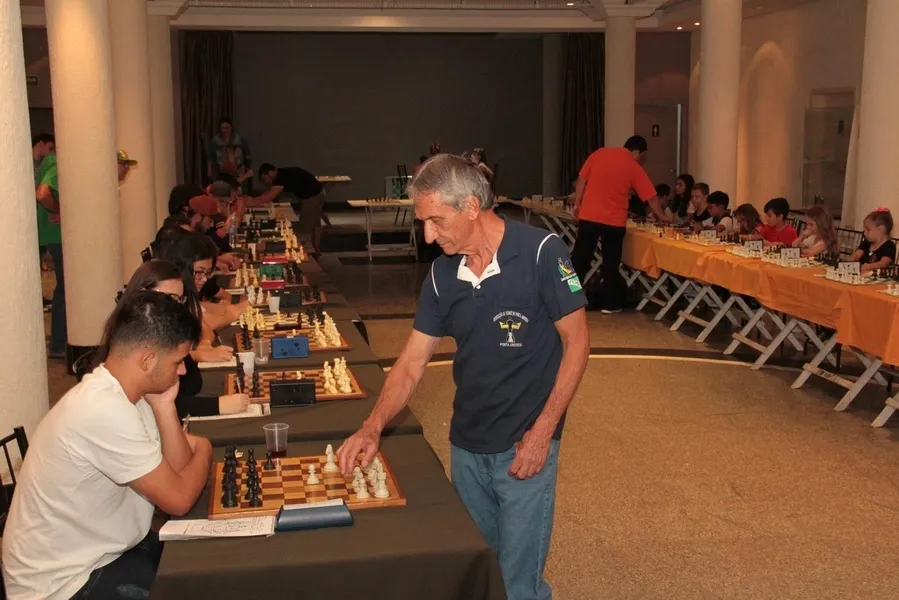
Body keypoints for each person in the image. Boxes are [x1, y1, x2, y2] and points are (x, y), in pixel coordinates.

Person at [337, 154, 589, 600]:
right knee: (479, 567)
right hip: (466, 443)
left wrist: (542, 433)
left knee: (517, 583)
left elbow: (577, 345)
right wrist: (372, 425)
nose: (428, 236)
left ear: (471, 206)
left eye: (435, 220)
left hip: (524, 443)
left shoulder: (541, 252)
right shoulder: (441, 275)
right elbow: (412, 363)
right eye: (423, 222)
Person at [2, 291, 213, 600]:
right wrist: (206, 447)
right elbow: (179, 499)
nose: (182, 371)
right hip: (64, 583)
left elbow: (179, 467)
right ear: (147, 359)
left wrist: (165, 406)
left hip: (107, 551)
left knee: (205, 567)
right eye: (178, 361)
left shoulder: (127, 391)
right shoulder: (103, 408)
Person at [92, 260, 249, 419]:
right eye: (169, 298)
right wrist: (217, 405)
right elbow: (153, 405)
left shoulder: (167, 334)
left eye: (180, 299)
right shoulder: (140, 341)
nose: (176, 306)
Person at [571, 135, 669, 313]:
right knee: (610, 263)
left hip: (589, 215)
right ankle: (610, 304)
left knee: (579, 259)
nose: (641, 161)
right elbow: (651, 197)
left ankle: (569, 298)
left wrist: (577, 203)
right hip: (614, 221)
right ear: (637, 152)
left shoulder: (598, 154)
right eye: (641, 157)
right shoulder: (633, 166)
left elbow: (581, 179)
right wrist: (662, 216)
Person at [34, 138, 67, 358]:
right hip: (58, 237)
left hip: (51, 236)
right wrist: (60, 209)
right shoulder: (57, 162)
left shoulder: (46, 164)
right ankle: (58, 344)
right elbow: (43, 193)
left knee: (62, 290)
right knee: (65, 291)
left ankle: (58, 343)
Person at [258, 163, 326, 251]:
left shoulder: (280, 177)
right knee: (316, 223)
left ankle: (308, 251)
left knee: (305, 226)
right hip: (319, 192)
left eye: (264, 179)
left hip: (313, 196)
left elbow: (267, 197)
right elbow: (274, 196)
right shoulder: (282, 173)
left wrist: (249, 201)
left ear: (270, 173)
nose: (266, 182)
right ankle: (316, 249)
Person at [206, 116, 252, 185]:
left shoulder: (238, 139)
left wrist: (248, 166)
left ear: (231, 127)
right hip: (222, 170)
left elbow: (247, 153)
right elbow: (210, 156)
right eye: (223, 128)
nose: (225, 130)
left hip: (237, 169)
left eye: (227, 128)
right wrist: (209, 169)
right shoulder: (216, 141)